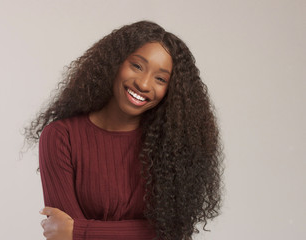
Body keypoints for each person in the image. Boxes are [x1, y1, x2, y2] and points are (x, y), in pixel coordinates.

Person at [25, 21, 223, 240]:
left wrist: (81, 231)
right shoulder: (61, 137)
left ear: (170, 90)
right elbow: (61, 237)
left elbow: (173, 232)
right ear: (115, 63)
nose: (144, 84)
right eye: (137, 66)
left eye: (160, 79)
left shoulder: (173, 147)